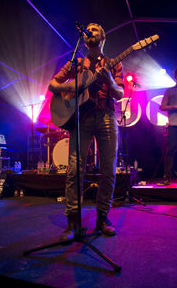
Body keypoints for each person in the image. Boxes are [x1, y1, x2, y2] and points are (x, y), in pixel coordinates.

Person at [48, 23, 124, 240]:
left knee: (108, 170)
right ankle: (72, 221)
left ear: (103, 38)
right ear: (84, 38)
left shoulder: (113, 64)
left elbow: (119, 94)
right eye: (88, 29)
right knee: (74, 170)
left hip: (106, 116)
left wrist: (109, 80)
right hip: (81, 118)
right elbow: (53, 85)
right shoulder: (77, 63)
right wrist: (70, 88)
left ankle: (102, 218)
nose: (91, 32)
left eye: (96, 30)